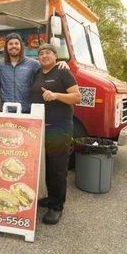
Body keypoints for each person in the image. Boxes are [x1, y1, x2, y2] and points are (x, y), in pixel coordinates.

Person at [30, 43, 81, 225]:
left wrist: (56, 95)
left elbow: (77, 97)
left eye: (48, 53)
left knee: (57, 168)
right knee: (44, 165)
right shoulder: (37, 73)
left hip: (58, 128)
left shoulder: (63, 72)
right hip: (39, 127)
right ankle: (50, 198)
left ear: (55, 56)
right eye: (41, 53)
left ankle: (57, 207)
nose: (44, 56)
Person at [0, 33, 68, 113]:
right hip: (5, 112)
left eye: (16, 43)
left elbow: (48, 69)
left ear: (21, 46)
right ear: (6, 47)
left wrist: (60, 63)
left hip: (27, 112)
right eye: (10, 44)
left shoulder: (33, 64)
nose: (14, 46)